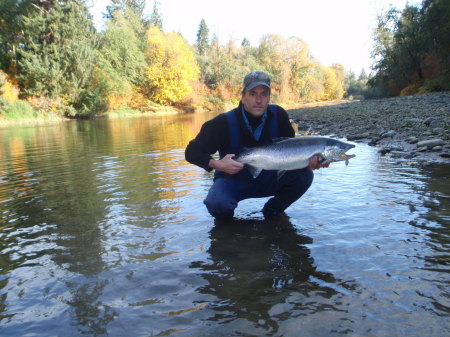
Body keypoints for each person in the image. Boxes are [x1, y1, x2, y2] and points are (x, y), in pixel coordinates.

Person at [185, 71, 328, 219]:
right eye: (253, 94)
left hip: (271, 177)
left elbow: (293, 154)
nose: (258, 100)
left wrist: (309, 162)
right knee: (217, 203)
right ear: (243, 96)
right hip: (233, 180)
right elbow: (191, 152)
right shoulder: (222, 123)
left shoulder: (279, 116)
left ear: (268, 98)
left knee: (304, 176)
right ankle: (227, 231)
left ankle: (272, 211)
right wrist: (217, 164)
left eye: (263, 94)